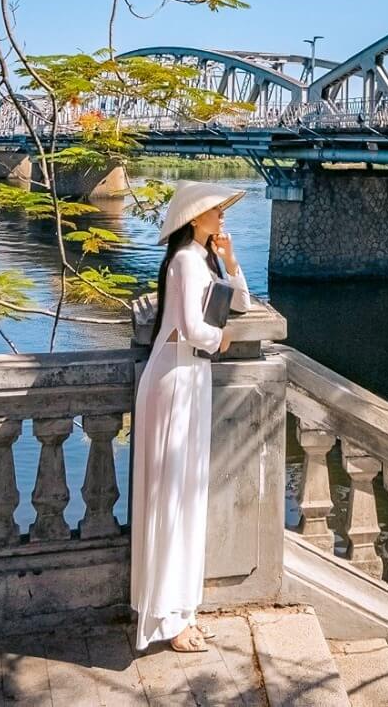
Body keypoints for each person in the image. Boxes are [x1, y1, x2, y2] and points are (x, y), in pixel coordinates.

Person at [131, 181, 251, 653]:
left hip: (192, 379)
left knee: (186, 495)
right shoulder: (183, 260)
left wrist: (232, 259)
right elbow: (194, 328)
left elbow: (239, 302)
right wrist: (222, 341)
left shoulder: (205, 259)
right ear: (194, 218)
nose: (222, 215)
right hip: (176, 379)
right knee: (172, 497)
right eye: (214, 211)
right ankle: (168, 619)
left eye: (221, 210)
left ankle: (182, 613)